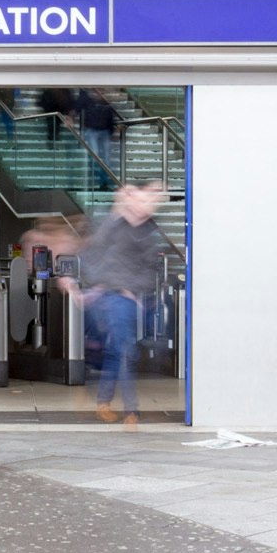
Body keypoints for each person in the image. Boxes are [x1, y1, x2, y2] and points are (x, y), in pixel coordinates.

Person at [75, 181, 168, 427]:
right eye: (143, 198)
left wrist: (137, 292)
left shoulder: (149, 230)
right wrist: (106, 286)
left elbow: (150, 268)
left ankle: (103, 402)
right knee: (127, 350)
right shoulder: (113, 226)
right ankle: (131, 411)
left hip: (134, 300)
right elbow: (92, 255)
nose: (148, 204)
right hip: (113, 298)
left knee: (118, 350)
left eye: (153, 200)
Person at [76, 89, 118, 188]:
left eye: (102, 93)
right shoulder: (88, 102)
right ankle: (102, 178)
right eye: (98, 92)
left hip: (104, 132)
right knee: (95, 157)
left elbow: (110, 121)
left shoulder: (108, 106)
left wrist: (114, 132)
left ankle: (104, 181)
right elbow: (77, 108)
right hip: (92, 131)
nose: (100, 95)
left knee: (106, 159)